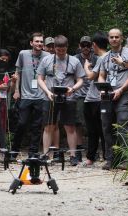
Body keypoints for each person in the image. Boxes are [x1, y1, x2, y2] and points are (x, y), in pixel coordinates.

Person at [37, 35, 86, 166]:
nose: (61, 52)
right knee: (48, 126)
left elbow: (81, 79)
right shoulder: (47, 60)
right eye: (58, 50)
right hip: (50, 96)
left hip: (68, 97)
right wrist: (47, 92)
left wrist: (73, 88)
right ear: (54, 48)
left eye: (63, 50)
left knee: (70, 126)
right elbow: (40, 78)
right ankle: (45, 155)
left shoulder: (74, 61)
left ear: (67, 47)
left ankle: (73, 155)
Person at [98, 28, 128, 170]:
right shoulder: (105, 57)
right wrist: (102, 88)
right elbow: (101, 75)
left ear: (121, 38)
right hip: (108, 95)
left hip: (124, 93)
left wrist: (121, 90)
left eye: (117, 37)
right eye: (111, 37)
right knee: (107, 126)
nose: (114, 39)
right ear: (108, 39)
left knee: (123, 125)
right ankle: (111, 159)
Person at [11, 32, 49, 156]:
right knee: (21, 123)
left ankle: (33, 153)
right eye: (37, 41)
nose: (39, 43)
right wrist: (17, 90)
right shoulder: (23, 54)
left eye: (41, 41)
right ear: (31, 43)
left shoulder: (47, 55)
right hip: (26, 95)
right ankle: (14, 150)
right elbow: (18, 73)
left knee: (37, 126)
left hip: (41, 95)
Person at [82, 31, 108, 166]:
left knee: (99, 129)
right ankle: (93, 157)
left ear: (94, 45)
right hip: (91, 98)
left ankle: (102, 156)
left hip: (97, 99)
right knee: (94, 130)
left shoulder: (103, 58)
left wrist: (86, 67)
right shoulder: (104, 57)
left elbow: (91, 76)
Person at [74, 36, 98, 161]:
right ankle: (78, 150)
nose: (85, 48)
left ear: (92, 46)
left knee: (94, 124)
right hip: (79, 95)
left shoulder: (97, 58)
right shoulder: (75, 59)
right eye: (83, 45)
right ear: (80, 46)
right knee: (79, 123)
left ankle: (93, 150)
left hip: (94, 95)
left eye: (88, 45)